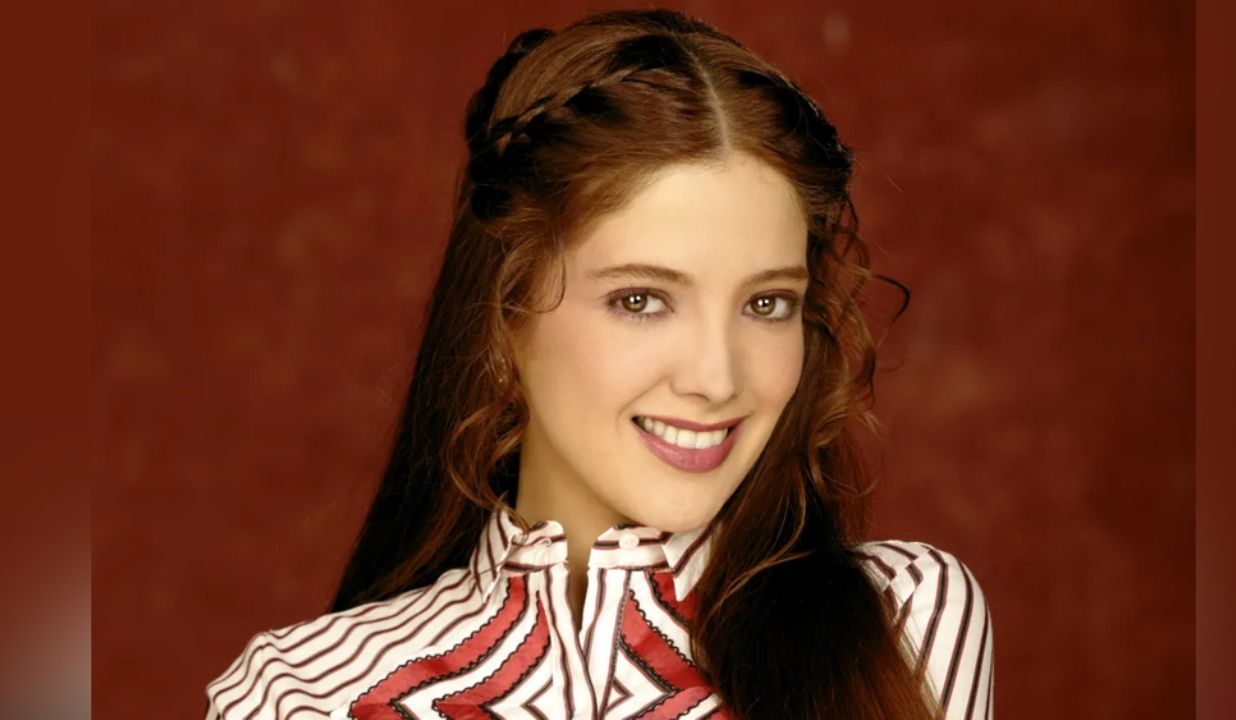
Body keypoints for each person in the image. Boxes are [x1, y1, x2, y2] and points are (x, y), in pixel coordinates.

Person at [204, 8, 993, 719]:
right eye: (641, 300)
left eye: (766, 303)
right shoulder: (304, 696)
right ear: (504, 321)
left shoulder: (902, 623)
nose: (717, 379)